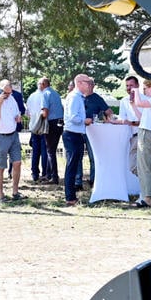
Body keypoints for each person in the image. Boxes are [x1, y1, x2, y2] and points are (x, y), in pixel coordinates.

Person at [0, 79, 24, 202]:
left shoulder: (11, 99)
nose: (9, 95)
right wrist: (0, 104)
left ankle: (15, 191)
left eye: (10, 93)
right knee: (0, 166)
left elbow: (17, 114)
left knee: (17, 162)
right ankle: (0, 194)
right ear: (0, 91)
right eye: (6, 93)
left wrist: (18, 118)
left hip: (13, 135)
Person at [130, 78, 151, 208]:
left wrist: (136, 91)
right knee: (150, 166)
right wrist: (133, 105)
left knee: (143, 166)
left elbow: (139, 103)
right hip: (150, 133)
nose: (144, 91)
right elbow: (141, 116)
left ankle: (147, 197)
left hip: (146, 134)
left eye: (145, 89)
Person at [63, 74, 92, 206]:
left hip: (76, 133)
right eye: (87, 82)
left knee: (74, 165)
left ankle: (71, 195)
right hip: (72, 134)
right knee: (72, 165)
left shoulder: (78, 97)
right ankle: (70, 197)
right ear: (80, 83)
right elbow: (73, 117)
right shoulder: (75, 97)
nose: (89, 84)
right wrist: (84, 121)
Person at [82, 77, 111, 187]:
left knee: (93, 156)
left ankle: (94, 180)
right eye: (86, 84)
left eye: (90, 84)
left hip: (92, 131)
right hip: (79, 130)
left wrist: (104, 119)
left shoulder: (97, 98)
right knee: (77, 156)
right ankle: (77, 181)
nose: (88, 86)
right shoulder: (78, 97)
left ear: (93, 86)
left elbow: (109, 112)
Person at [40, 77, 64, 185]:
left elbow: (45, 112)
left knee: (50, 151)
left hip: (51, 123)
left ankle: (54, 176)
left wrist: (38, 117)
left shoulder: (45, 94)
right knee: (52, 149)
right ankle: (49, 174)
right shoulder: (56, 94)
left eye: (39, 84)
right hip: (59, 123)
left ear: (43, 84)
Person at [26, 81, 49, 182]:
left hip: (34, 127)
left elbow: (27, 113)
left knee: (35, 151)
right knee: (44, 151)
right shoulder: (45, 96)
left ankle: (35, 173)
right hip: (43, 126)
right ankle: (45, 173)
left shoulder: (31, 96)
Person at [117, 75, 140, 175]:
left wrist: (129, 122)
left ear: (137, 85)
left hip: (144, 135)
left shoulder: (144, 99)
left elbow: (144, 121)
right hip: (132, 137)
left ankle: (150, 189)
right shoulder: (123, 101)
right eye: (127, 86)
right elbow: (123, 119)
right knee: (135, 167)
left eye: (131, 85)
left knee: (145, 166)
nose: (129, 88)